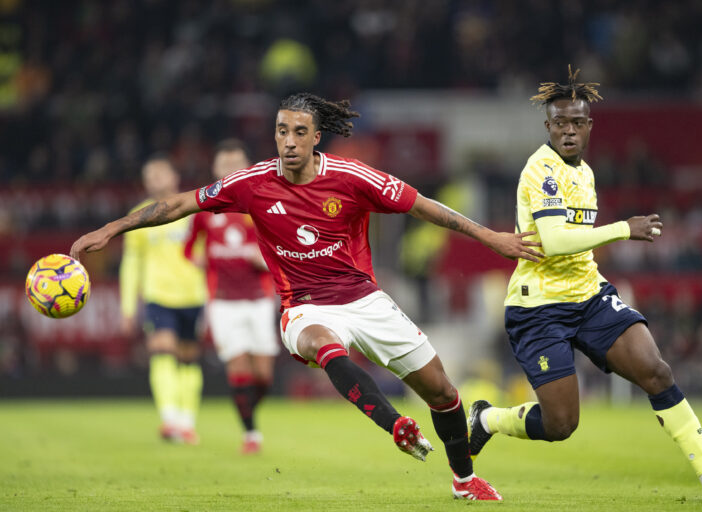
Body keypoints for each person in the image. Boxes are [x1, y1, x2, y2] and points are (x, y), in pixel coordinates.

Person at [71, 92, 544, 501]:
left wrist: (492, 238)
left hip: (365, 299)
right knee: (322, 344)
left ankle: (464, 480)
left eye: (299, 131)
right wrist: (112, 228)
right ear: (274, 136)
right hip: (303, 305)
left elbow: (423, 206)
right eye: (281, 131)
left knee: (443, 392)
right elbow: (178, 204)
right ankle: (394, 424)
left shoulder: (353, 177)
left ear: (316, 136)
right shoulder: (251, 183)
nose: (289, 141)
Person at [466, 67, 702, 501]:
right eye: (560, 123)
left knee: (656, 371)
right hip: (539, 308)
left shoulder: (584, 172)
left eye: (577, 122)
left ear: (589, 126)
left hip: (589, 295)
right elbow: (553, 242)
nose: (569, 130)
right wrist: (623, 228)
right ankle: (488, 419)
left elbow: (576, 244)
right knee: (561, 424)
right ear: (548, 126)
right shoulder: (541, 171)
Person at [184, 139, 278, 454]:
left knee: (263, 375)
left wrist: (263, 258)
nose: (230, 169)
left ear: (247, 167)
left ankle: (249, 411)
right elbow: (188, 248)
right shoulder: (204, 209)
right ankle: (251, 433)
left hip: (260, 297)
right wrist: (196, 259)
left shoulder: (262, 204)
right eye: (225, 164)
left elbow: (281, 248)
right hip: (223, 300)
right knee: (238, 365)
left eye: (236, 163)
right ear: (215, 169)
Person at [120, 154, 207, 444]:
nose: (156, 179)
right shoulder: (138, 216)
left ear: (174, 177)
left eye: (161, 173)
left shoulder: (194, 211)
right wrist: (127, 306)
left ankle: (187, 421)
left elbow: (208, 252)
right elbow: (131, 263)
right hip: (158, 295)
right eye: (150, 175)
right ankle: (169, 419)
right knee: (162, 352)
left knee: (188, 361)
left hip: (193, 294)